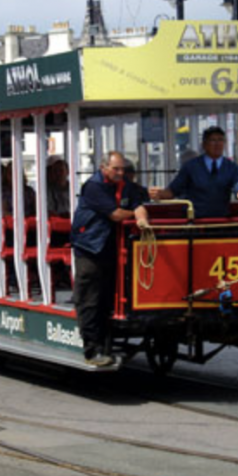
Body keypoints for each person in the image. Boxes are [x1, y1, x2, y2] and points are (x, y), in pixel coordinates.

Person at [71, 151, 150, 366]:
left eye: (123, 169)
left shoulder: (126, 185)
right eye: (116, 169)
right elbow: (115, 214)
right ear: (104, 168)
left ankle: (105, 348)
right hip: (90, 247)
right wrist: (136, 213)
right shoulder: (93, 186)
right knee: (89, 299)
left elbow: (139, 203)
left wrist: (142, 214)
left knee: (107, 299)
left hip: (112, 247)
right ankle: (91, 350)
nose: (120, 173)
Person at [149, 126, 238, 218]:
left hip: (221, 222)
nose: (217, 144)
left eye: (220, 140)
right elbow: (173, 190)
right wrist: (159, 194)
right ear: (204, 145)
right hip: (194, 223)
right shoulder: (191, 166)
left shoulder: (232, 167)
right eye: (213, 140)